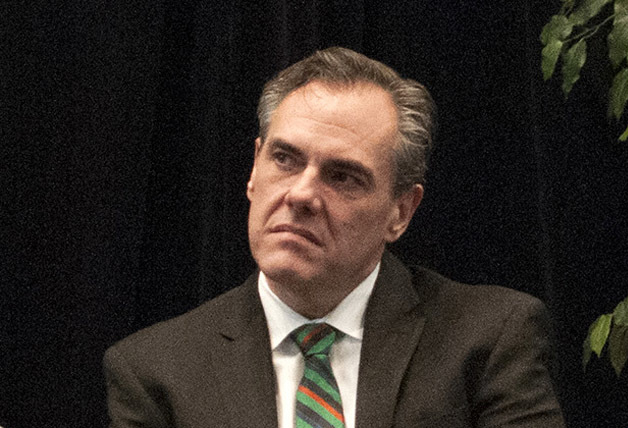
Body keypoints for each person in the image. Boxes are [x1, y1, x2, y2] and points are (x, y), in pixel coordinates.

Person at [104, 47, 565, 428]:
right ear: (254, 169)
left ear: (400, 212)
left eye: (342, 176)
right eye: (285, 159)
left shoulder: (488, 339)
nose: (301, 194)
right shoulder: (156, 371)